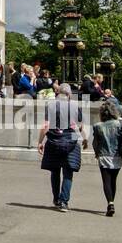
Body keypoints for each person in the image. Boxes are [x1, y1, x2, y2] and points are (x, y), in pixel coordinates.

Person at [38, 83, 86, 211]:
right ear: (69, 94)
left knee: (55, 171)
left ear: (57, 93)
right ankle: (64, 202)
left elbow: (46, 125)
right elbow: (80, 126)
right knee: (68, 172)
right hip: (71, 141)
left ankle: (56, 198)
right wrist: (84, 138)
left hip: (54, 140)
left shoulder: (52, 105)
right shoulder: (75, 106)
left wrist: (40, 142)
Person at [93, 98, 122, 217]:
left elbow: (95, 143)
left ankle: (110, 203)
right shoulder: (120, 124)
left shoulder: (98, 126)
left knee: (106, 181)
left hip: (104, 156)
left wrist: (96, 153)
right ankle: (112, 202)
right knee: (113, 181)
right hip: (117, 156)